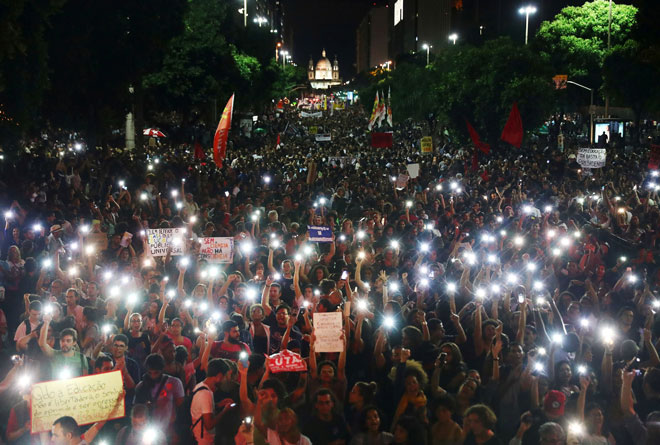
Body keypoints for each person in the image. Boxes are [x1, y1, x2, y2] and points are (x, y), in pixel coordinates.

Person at [133, 353, 184, 435]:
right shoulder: (141, 386)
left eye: (156, 373)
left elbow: (180, 407)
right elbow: (136, 409)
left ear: (162, 370)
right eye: (150, 373)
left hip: (169, 428)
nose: (153, 376)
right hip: (147, 429)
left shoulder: (174, 383)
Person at [190, 358, 235, 445]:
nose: (224, 380)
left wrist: (218, 405)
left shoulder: (200, 385)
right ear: (218, 376)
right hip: (203, 441)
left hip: (198, 437)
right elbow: (209, 425)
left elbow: (203, 410)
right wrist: (224, 410)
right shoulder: (205, 394)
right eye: (224, 377)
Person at [39, 313, 88, 378]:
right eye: (62, 340)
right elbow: (42, 344)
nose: (65, 343)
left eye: (68, 341)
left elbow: (86, 378)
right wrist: (46, 323)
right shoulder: (54, 354)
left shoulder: (82, 358)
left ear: (74, 342)